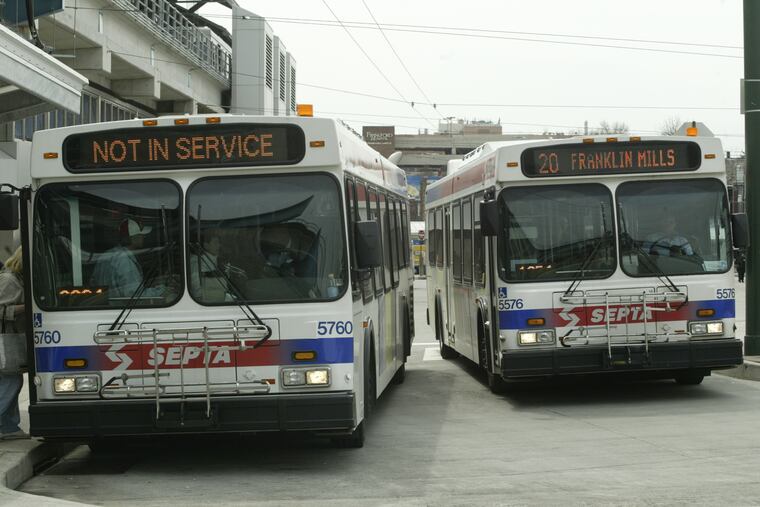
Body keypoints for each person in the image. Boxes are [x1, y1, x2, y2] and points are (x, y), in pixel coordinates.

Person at [0, 247, 29, 440]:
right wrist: (26, 307)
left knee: (11, 379)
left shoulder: (14, 279)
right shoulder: (9, 280)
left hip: (11, 337)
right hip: (6, 339)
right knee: (12, 379)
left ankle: (10, 426)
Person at [91, 218, 155, 299]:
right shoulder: (125, 261)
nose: (144, 237)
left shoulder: (106, 255)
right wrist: (161, 291)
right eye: (141, 234)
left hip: (106, 308)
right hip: (121, 308)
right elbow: (134, 295)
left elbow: (93, 284)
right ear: (132, 238)